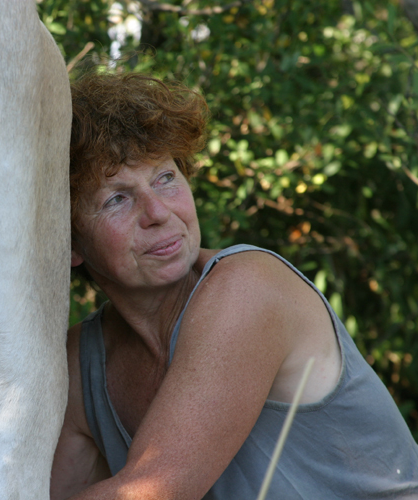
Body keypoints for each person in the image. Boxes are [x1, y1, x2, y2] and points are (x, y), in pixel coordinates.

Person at [50, 72, 418, 500]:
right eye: (117, 198)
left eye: (165, 178)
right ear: (71, 241)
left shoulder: (247, 290)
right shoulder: (80, 366)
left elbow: (153, 491)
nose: (158, 212)